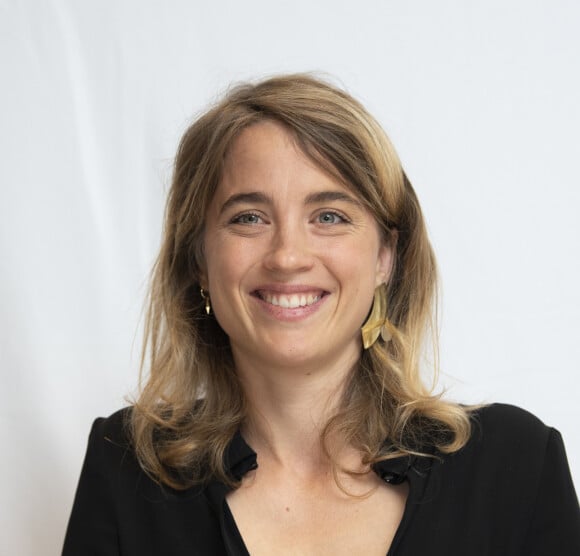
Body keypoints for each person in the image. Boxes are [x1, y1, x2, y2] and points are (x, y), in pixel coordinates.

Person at [62, 74, 580, 556]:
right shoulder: (128, 469)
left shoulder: (515, 467)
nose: (288, 255)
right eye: (249, 217)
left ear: (385, 257)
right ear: (198, 259)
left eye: (329, 216)